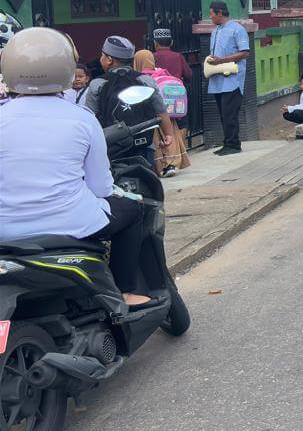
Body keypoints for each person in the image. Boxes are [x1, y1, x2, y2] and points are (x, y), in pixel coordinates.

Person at [0, 28, 151, 306]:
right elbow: (101, 187)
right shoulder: (82, 119)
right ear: (68, 68)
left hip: (6, 232)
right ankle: (125, 291)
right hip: (72, 223)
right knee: (134, 209)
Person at [84, 36, 178, 170]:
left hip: (110, 148)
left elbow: (89, 117)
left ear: (109, 60)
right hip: (144, 145)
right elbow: (160, 109)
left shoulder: (98, 84)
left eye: (102, 55)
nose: (101, 59)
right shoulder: (145, 80)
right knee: (147, 178)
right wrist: (168, 134)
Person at [133, 49, 191, 177]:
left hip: (152, 116)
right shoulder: (162, 72)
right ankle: (172, 163)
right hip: (169, 114)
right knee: (171, 137)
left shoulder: (140, 78)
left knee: (156, 139)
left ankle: (161, 166)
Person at [206, 0, 251, 155]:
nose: (210, 17)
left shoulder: (237, 29)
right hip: (217, 80)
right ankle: (227, 143)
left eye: (212, 14)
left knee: (230, 114)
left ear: (219, 13)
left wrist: (221, 60)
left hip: (233, 80)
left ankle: (234, 144)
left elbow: (245, 52)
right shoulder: (215, 31)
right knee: (223, 113)